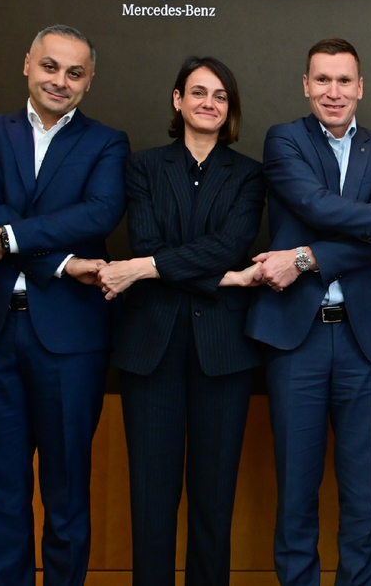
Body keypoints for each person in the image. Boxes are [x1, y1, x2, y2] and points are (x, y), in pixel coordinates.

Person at [245, 38, 371, 586]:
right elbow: (313, 204)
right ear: (306, 85)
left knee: (361, 491)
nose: (334, 92)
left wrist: (304, 255)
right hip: (295, 340)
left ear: (360, 88)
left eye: (344, 81)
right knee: (296, 489)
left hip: (363, 341)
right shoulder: (283, 140)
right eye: (322, 80)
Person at [0, 24, 128, 586]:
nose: (61, 81)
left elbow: (98, 215)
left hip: (71, 340)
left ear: (89, 81)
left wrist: (7, 240)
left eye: (75, 73)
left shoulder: (107, 142)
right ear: (28, 64)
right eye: (51, 67)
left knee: (67, 490)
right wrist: (58, 261)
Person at [96, 56, 265, 586]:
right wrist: (223, 278)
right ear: (177, 100)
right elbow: (149, 241)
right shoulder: (144, 167)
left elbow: (229, 246)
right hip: (152, 350)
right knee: (151, 499)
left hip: (223, 355)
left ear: (229, 108)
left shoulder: (249, 174)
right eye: (198, 92)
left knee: (213, 501)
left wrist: (145, 270)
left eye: (219, 96)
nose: (208, 103)